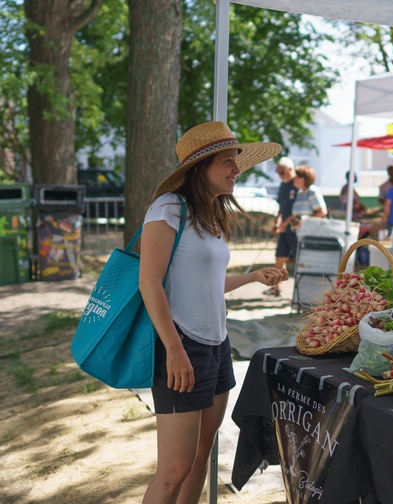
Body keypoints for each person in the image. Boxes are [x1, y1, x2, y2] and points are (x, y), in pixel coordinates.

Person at [139, 121, 289, 503]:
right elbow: (149, 283)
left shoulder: (212, 213)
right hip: (181, 343)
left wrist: (254, 276)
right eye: (227, 161)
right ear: (200, 167)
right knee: (174, 468)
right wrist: (174, 350)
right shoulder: (168, 207)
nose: (236, 169)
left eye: (237, 161)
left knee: (202, 453)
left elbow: (204, 284)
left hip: (217, 344)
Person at [267, 156, 297, 297]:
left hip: (295, 230)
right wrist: (277, 223)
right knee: (280, 257)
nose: (280, 176)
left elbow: (299, 210)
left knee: (298, 259)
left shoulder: (298, 184)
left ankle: (299, 290)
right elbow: (281, 208)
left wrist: (287, 222)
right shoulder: (283, 185)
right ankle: (277, 287)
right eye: (278, 173)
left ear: (290, 169)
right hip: (284, 230)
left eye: (282, 173)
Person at [281, 164, 328, 231]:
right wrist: (285, 223)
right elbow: (297, 213)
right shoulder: (300, 192)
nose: (294, 179)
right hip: (301, 233)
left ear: (302, 179)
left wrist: (305, 222)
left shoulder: (312, 191)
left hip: (311, 233)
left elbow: (322, 212)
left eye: (296, 177)